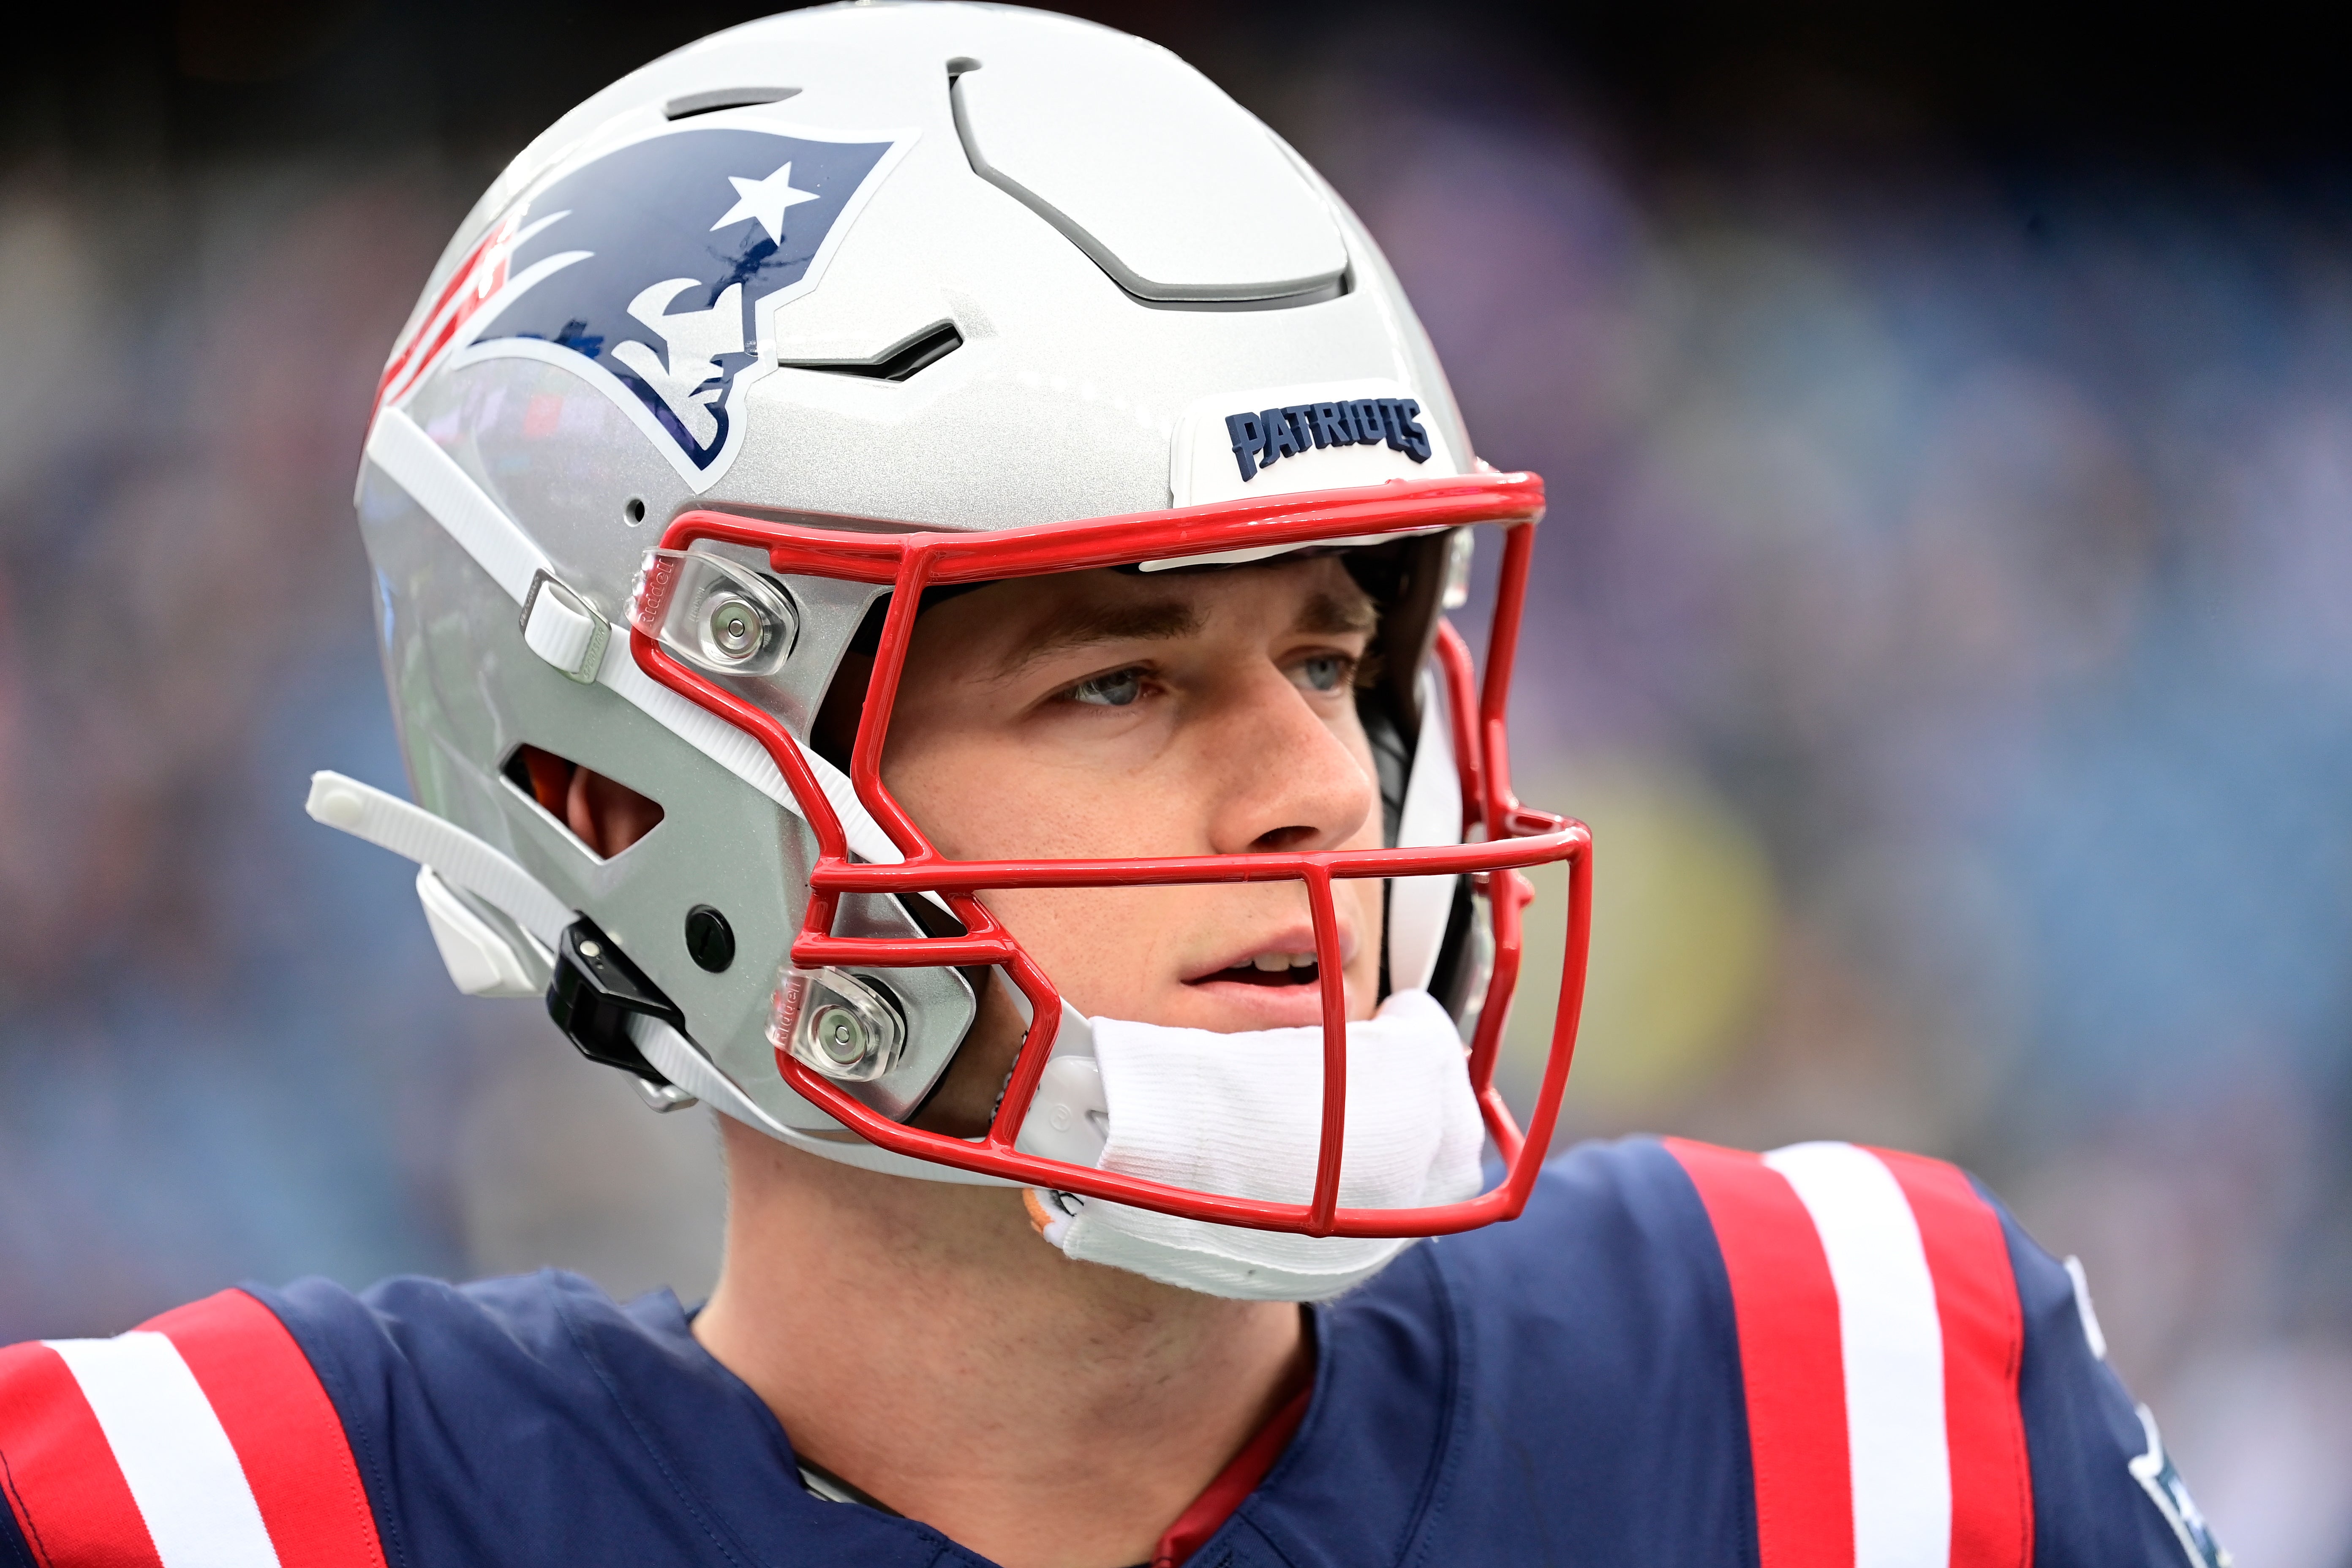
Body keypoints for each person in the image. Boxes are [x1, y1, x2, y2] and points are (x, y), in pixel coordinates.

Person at [0, 7, 2225, 1567]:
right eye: (1116, 682)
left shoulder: (1840, 1398)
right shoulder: (240, 1512)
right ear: (625, 793)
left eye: (1335, 655)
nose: (1316, 798)